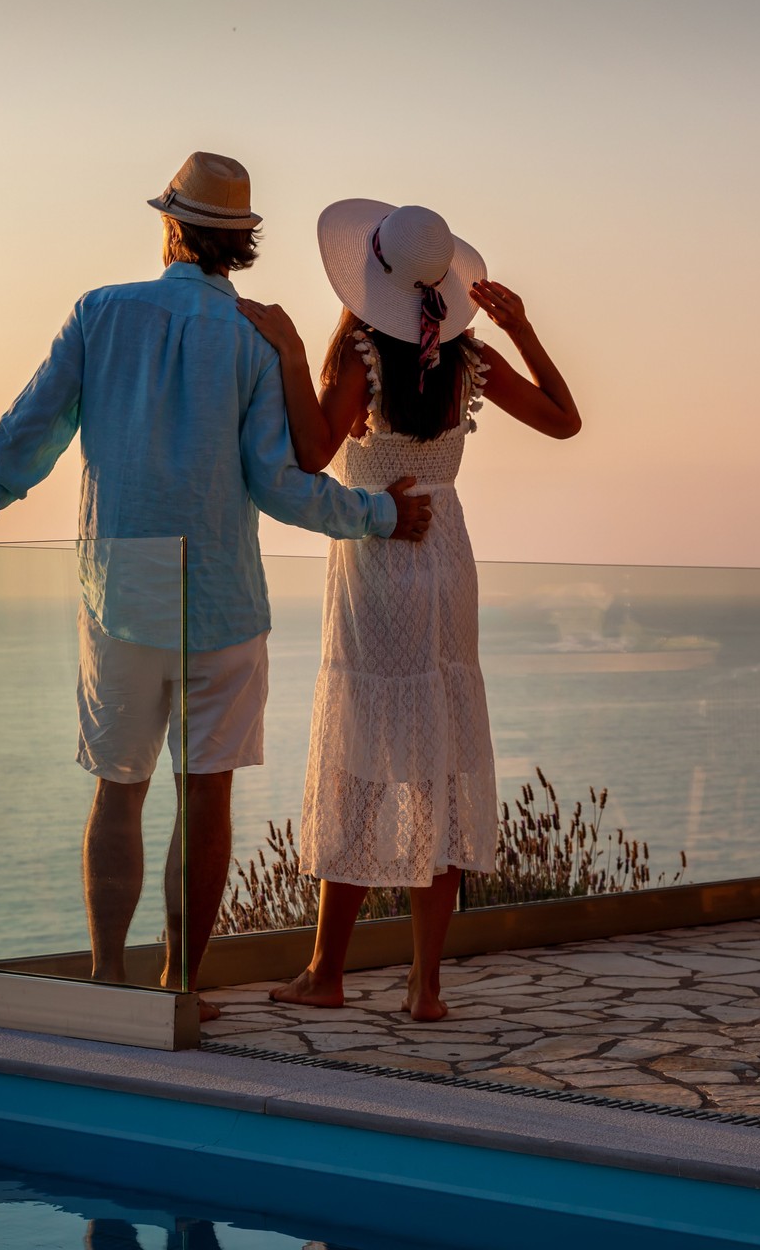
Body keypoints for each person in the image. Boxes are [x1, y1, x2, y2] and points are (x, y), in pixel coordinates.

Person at [0, 155, 431, 1018]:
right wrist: (380, 515)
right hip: (224, 604)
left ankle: (106, 983)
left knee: (117, 789)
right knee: (206, 797)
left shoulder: (99, 314)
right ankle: (179, 989)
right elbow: (281, 486)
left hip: (121, 600)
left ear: (170, 227)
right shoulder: (252, 338)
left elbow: (28, 434)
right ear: (240, 245)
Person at [236, 200, 580, 1022]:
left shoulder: (361, 353)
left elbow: (314, 452)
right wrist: (523, 330)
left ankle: (327, 971)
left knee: (361, 757)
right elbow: (566, 423)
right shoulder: (468, 360)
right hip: (447, 556)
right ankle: (426, 987)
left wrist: (294, 352)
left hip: (379, 552)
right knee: (439, 760)